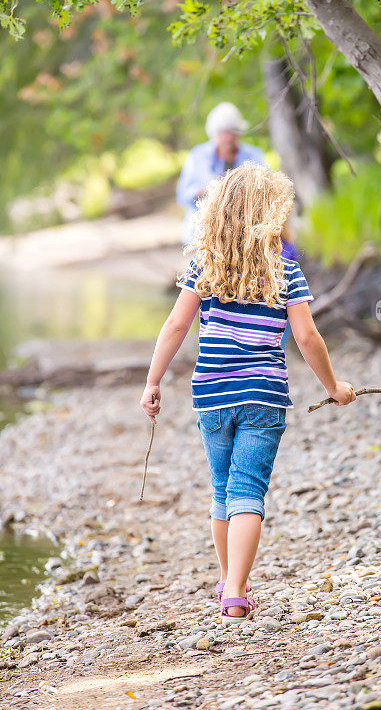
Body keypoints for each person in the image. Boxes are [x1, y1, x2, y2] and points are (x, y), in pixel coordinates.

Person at [140, 162, 356, 623]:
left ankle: (227, 581)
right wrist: (334, 387)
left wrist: (153, 380)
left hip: (211, 393)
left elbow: (177, 324)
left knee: (223, 490)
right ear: (272, 215)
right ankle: (236, 589)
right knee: (248, 491)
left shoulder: (205, 267)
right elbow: (308, 338)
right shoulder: (285, 271)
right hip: (263, 395)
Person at [176, 102, 265, 245]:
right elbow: (183, 195)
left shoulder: (253, 155)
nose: (229, 137)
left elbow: (265, 191)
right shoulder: (197, 156)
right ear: (214, 132)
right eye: (224, 132)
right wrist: (208, 191)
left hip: (243, 234)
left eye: (233, 131)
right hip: (203, 235)